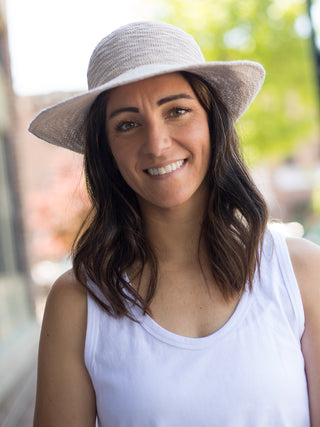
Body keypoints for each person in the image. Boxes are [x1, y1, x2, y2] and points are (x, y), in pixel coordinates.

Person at [29, 21, 320, 427]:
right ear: (105, 150)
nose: (157, 143)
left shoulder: (302, 273)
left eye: (177, 111)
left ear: (212, 123)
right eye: (128, 124)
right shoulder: (78, 302)